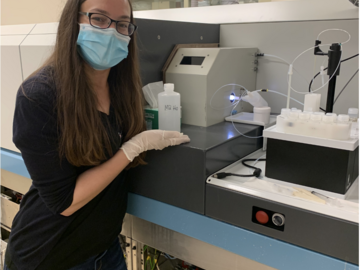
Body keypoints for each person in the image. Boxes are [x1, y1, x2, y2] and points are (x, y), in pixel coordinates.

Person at [4, 0, 190, 269]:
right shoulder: (39, 95)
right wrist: (132, 148)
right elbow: (64, 203)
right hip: (51, 255)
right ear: (74, 23)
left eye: (123, 24)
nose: (112, 32)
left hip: (105, 249)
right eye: (99, 19)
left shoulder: (121, 90)